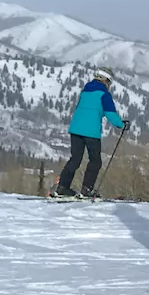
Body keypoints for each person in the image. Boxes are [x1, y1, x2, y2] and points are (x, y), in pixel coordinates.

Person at [51, 67, 125, 199]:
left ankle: (62, 188)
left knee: (75, 159)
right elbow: (110, 114)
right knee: (95, 161)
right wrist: (122, 125)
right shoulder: (104, 94)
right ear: (106, 80)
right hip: (91, 131)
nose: (109, 86)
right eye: (109, 83)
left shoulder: (85, 91)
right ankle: (86, 190)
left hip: (75, 129)